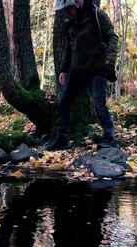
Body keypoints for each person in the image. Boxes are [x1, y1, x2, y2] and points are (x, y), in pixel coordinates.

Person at [47, 0, 119, 150]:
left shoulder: (97, 15)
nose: (67, 12)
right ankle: (62, 139)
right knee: (64, 102)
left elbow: (113, 37)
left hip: (97, 69)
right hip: (78, 71)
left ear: (77, 3)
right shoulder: (71, 22)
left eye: (69, 9)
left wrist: (108, 62)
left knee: (99, 104)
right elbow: (69, 48)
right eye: (65, 10)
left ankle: (110, 138)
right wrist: (64, 70)